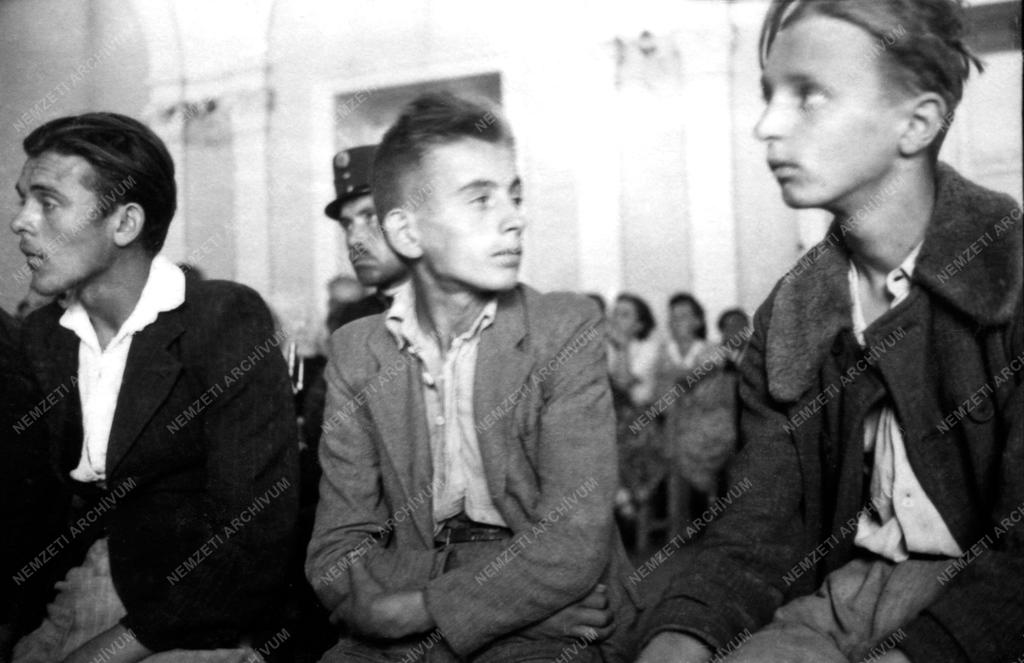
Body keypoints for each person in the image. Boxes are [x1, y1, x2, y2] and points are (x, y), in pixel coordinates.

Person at [638, 1, 1022, 661]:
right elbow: (754, 537)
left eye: (810, 95)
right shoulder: (788, 316)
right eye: (769, 96)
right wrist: (681, 636)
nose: (766, 126)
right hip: (841, 599)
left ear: (917, 123)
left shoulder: (1010, 271)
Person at [306, 92, 642, 662]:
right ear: (407, 233)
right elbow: (335, 551)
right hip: (499, 605)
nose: (515, 218)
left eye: (515, 196)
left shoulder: (564, 328)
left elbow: (571, 542)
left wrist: (417, 610)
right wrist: (481, 607)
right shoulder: (356, 351)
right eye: (481, 200)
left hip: (558, 623)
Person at [11, 112, 298, 663]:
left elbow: (253, 538)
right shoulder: (44, 336)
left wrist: (105, 652)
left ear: (125, 223)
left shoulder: (222, 318)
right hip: (75, 591)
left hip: (196, 616)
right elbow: (32, 516)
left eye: (47, 202)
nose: (20, 222)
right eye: (24, 201)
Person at [658, 293, 737, 517]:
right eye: (672, 317)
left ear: (698, 321)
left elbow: (698, 380)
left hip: (710, 423)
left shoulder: (713, 351)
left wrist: (674, 378)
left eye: (683, 316)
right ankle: (680, 519)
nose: (676, 322)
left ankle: (703, 511)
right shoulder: (664, 352)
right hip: (674, 425)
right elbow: (660, 397)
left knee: (682, 445)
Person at [606, 293, 664, 521]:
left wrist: (622, 347)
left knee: (614, 439)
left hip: (642, 420)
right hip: (610, 418)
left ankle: (625, 497)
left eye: (624, 314)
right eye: (614, 313)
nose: (615, 319)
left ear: (639, 324)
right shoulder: (605, 347)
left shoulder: (649, 348)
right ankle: (620, 497)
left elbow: (623, 384)